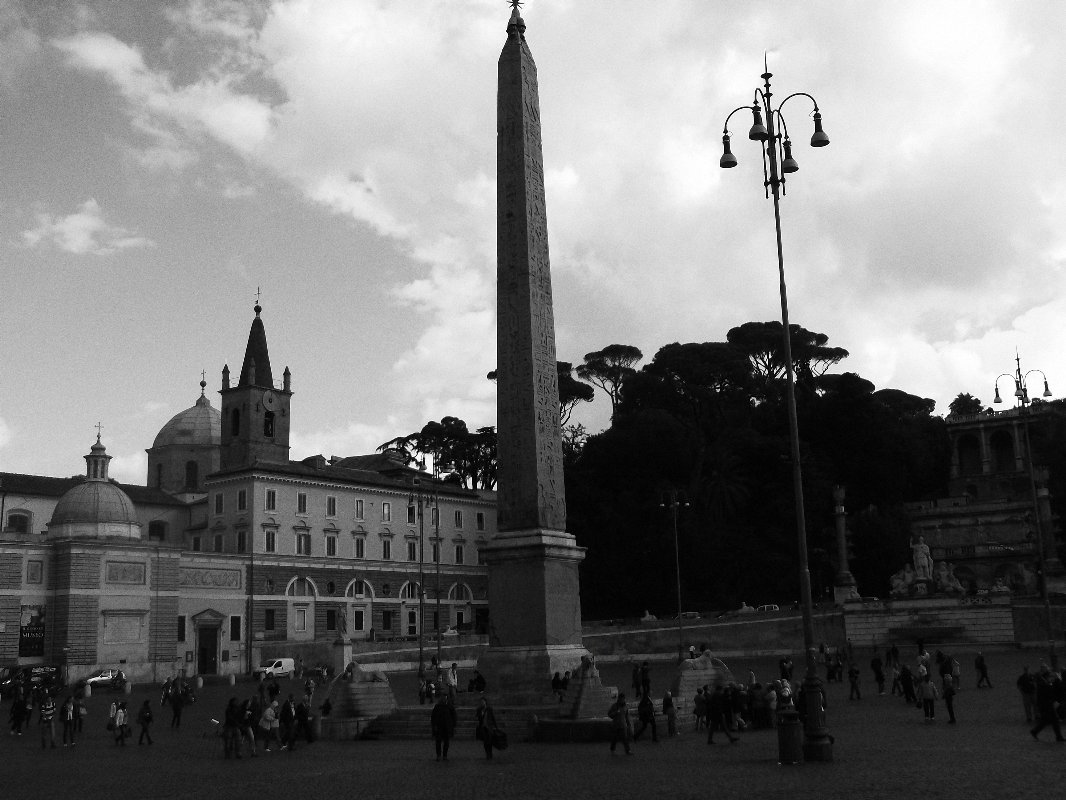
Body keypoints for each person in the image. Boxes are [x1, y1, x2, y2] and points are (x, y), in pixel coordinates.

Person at [1030, 665, 1065, 741]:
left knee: (1047, 720)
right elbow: (1049, 693)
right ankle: (1058, 737)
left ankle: (1035, 731)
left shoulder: (1045, 683)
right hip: (1046, 705)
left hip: (1046, 704)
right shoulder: (1044, 684)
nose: (1052, 678)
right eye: (1050, 677)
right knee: (1054, 720)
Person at [430, 695, 457, 761]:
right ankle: (438, 755)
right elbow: (433, 716)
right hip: (439, 727)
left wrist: (453, 724)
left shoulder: (450, 706)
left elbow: (454, 716)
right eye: (443, 698)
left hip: (447, 727)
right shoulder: (437, 706)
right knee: (438, 742)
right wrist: (434, 725)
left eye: (445, 698)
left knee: (446, 742)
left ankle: (445, 755)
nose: (444, 699)